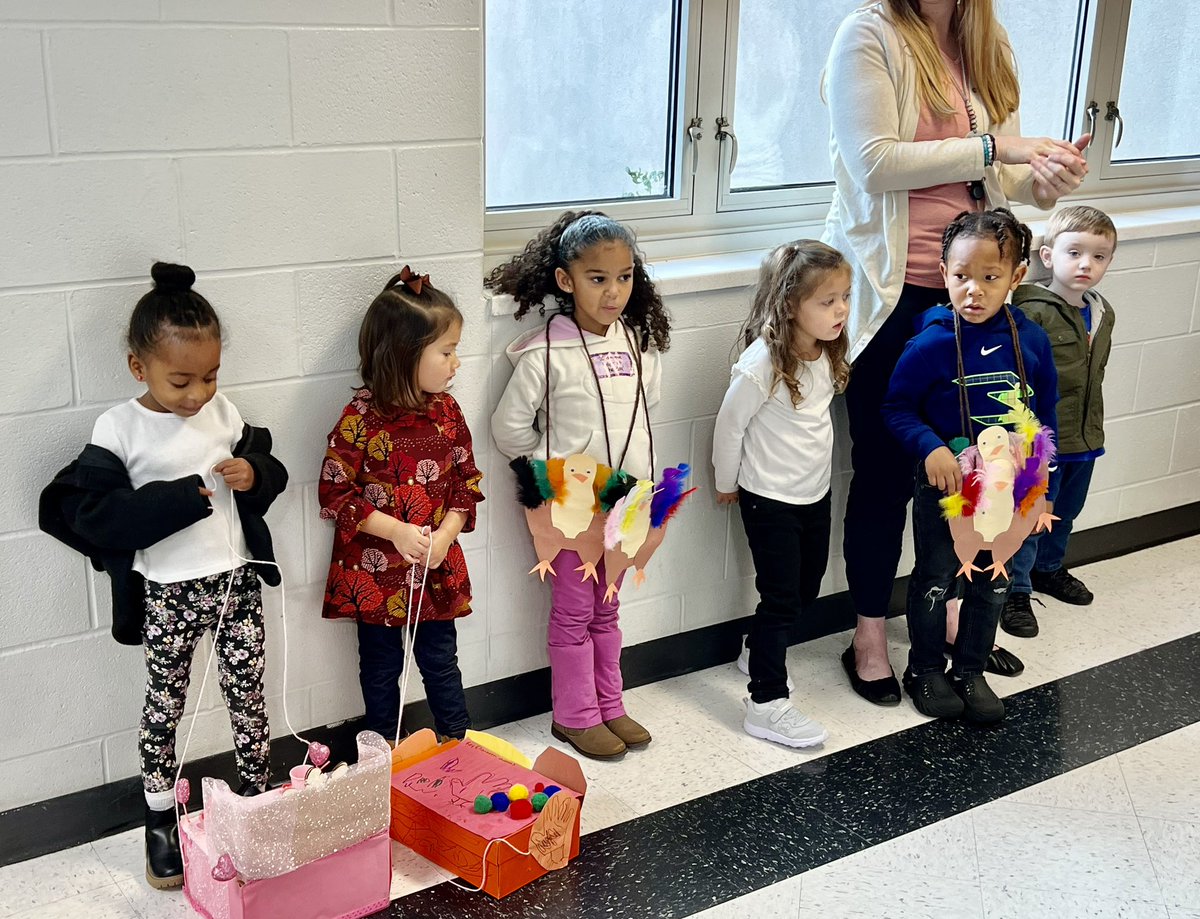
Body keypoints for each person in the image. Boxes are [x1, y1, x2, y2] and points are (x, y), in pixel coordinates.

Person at [822, 0, 1090, 703]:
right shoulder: (868, 33)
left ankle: (946, 616)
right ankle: (870, 633)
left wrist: (1044, 180)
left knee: (973, 465)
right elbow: (873, 162)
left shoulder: (983, 39)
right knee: (882, 472)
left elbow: (1000, 180)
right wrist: (1004, 148)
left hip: (973, 298)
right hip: (895, 293)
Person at [39, 263, 288, 889]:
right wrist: (180, 499)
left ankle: (254, 799)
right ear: (137, 368)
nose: (197, 394)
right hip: (168, 592)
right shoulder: (117, 428)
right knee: (165, 704)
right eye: (180, 380)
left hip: (234, 583)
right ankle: (159, 818)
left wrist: (255, 473)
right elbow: (89, 515)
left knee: (249, 698)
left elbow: (270, 468)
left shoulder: (223, 412)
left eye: (209, 376)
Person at [489, 211, 670, 760]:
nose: (613, 291)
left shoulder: (638, 342)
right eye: (597, 278)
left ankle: (610, 705)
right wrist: (552, 477)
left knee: (607, 608)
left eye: (624, 277)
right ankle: (574, 716)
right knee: (573, 611)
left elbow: (646, 406)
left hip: (627, 503)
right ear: (566, 281)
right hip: (570, 510)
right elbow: (508, 429)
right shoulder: (546, 349)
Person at [882, 208, 1057, 723]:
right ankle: (926, 670)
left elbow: (1046, 418)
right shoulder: (930, 344)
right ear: (943, 273)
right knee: (937, 575)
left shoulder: (1033, 343)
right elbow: (896, 408)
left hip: (1008, 492)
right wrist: (931, 447)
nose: (973, 291)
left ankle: (970, 669)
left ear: (1017, 277)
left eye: (989, 277)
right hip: (948, 485)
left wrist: (1041, 480)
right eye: (961, 277)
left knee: (992, 579)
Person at [318, 267, 483, 745]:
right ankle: (382, 749)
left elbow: (465, 484)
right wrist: (395, 531)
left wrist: (446, 536)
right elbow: (335, 493)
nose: (456, 363)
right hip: (376, 575)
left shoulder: (447, 412)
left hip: (435, 566)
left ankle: (457, 741)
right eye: (446, 351)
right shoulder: (360, 419)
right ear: (405, 354)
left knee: (440, 661)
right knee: (380, 666)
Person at [712, 241, 851, 748]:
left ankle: (756, 650)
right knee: (780, 598)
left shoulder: (828, 348)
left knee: (806, 589)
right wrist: (726, 482)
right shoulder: (762, 364)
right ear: (790, 304)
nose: (840, 310)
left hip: (813, 493)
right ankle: (765, 702)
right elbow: (729, 428)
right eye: (827, 301)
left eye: (844, 298)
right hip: (767, 497)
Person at [1001, 206, 1117, 637]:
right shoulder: (1031, 313)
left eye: (1099, 256)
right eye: (1075, 253)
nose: (1086, 264)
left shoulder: (1102, 312)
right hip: (1042, 442)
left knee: (1065, 512)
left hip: (1085, 437)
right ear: (1047, 257)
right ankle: (1015, 590)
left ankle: (1050, 569)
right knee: (1031, 519)